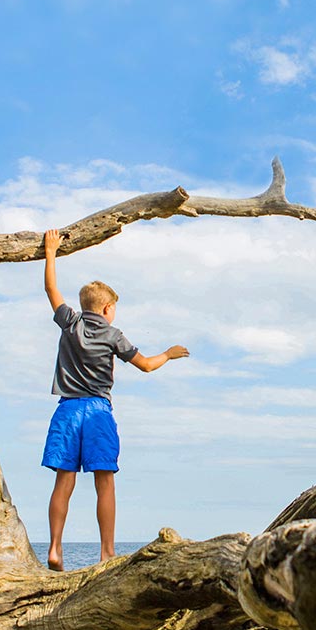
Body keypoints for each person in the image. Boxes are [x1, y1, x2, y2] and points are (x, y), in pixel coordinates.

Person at [38, 227, 190, 571]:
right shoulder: (113, 334)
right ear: (107, 308)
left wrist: (51, 251)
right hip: (97, 412)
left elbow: (51, 288)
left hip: (67, 410)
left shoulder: (70, 323)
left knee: (64, 480)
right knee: (104, 482)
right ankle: (107, 552)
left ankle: (55, 548)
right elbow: (147, 366)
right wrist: (167, 353)